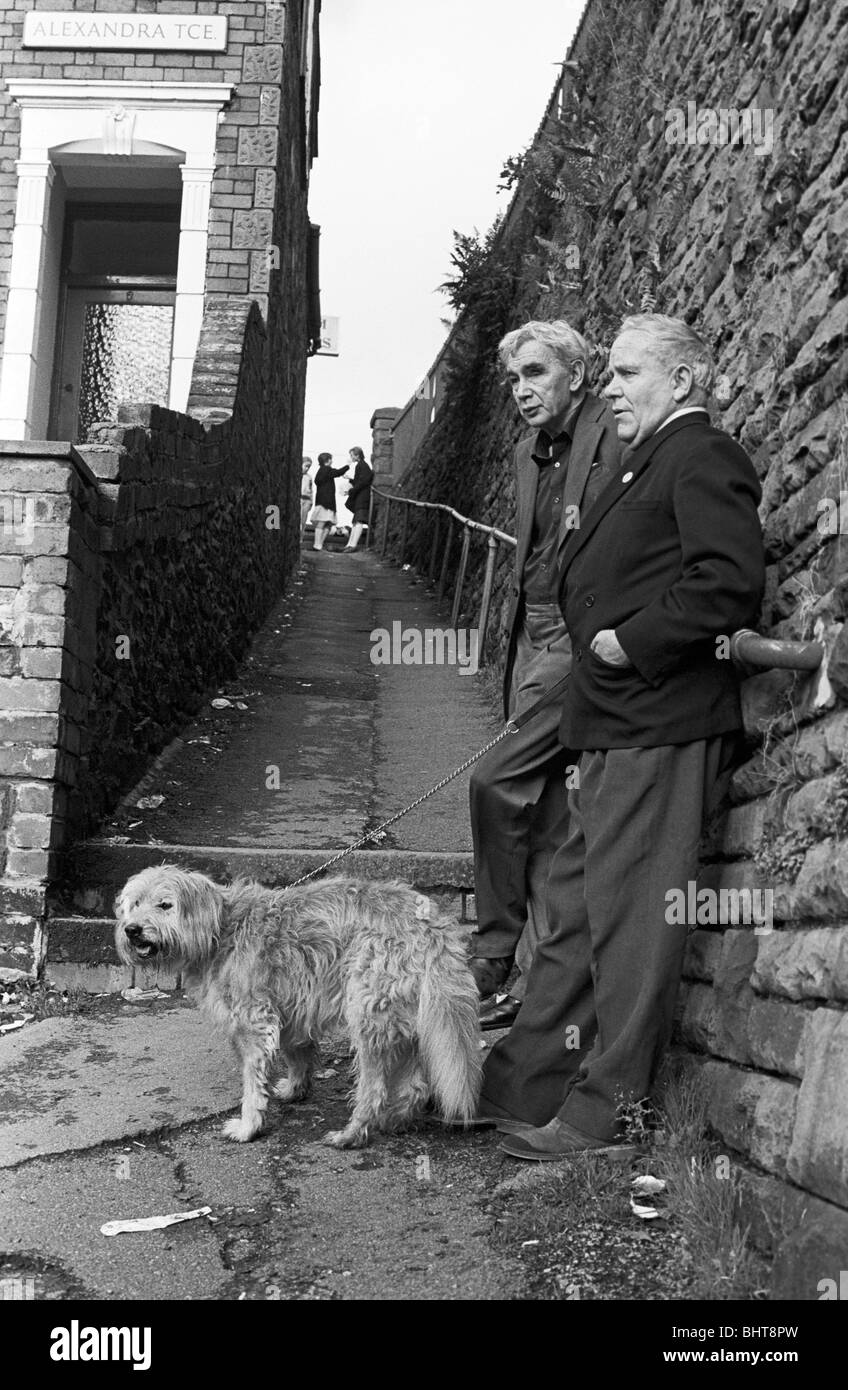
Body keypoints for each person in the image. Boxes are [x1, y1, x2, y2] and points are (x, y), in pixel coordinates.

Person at [476, 313, 766, 1156]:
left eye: (630, 374)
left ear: (682, 380)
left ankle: (607, 1115)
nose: (611, 386)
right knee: (568, 913)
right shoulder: (643, 460)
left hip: (660, 722)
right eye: (611, 374)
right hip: (606, 726)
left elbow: (727, 583)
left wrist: (627, 640)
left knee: (635, 923)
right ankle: (514, 1086)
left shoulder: (704, 454)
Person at [467, 320, 620, 1030]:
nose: (521, 391)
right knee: (551, 820)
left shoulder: (611, 434)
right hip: (531, 635)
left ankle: (495, 949)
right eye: (513, 380)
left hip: (576, 637)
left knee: (493, 780)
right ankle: (539, 994)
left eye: (534, 374)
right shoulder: (529, 453)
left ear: (575, 374)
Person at [311, 452, 349, 551]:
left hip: (323, 501)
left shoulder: (321, 470)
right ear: (327, 460)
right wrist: (348, 465)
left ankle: (319, 544)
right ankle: (317, 544)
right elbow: (337, 472)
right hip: (326, 502)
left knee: (328, 523)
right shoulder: (326, 469)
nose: (332, 460)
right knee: (324, 523)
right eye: (331, 459)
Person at [344, 446, 373, 551]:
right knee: (356, 520)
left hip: (362, 496)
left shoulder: (362, 465)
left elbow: (363, 482)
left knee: (359, 520)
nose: (351, 457)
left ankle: (352, 545)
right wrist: (351, 480)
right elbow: (360, 481)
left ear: (357, 455)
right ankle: (350, 545)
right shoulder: (362, 465)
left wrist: (351, 490)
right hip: (361, 496)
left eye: (352, 455)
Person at [300, 456, 314, 541]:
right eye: (306, 466)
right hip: (299, 498)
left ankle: (301, 537)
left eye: (309, 467)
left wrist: (311, 501)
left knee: (303, 520)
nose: (307, 468)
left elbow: (311, 490)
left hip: (307, 500)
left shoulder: (309, 477)